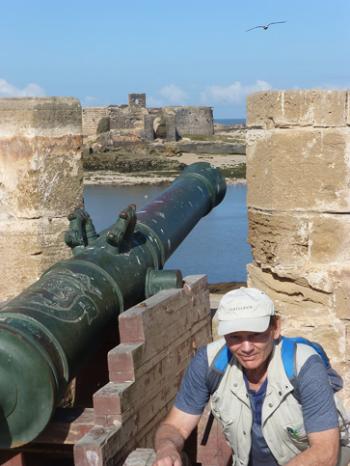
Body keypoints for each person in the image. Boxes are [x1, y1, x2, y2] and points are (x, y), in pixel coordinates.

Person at [153, 287, 350, 466]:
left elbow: (325, 453)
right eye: (235, 337)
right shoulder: (209, 363)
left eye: (255, 335)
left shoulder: (304, 367)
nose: (246, 348)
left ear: (275, 328)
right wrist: (167, 449)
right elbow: (175, 427)